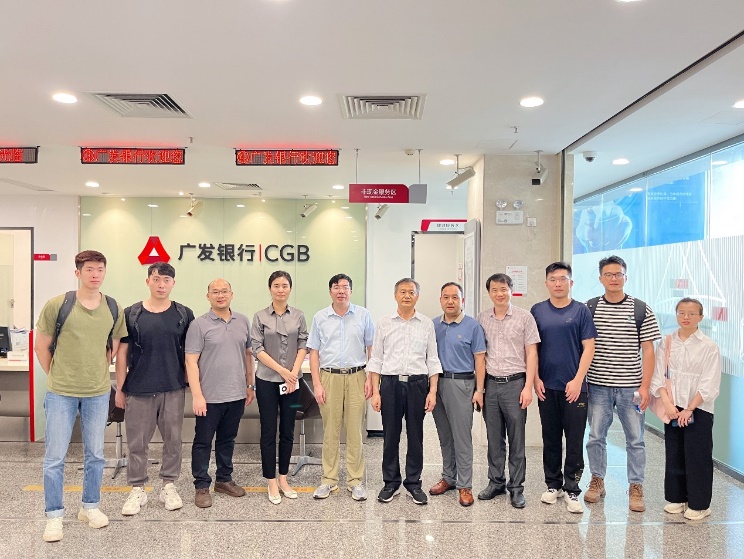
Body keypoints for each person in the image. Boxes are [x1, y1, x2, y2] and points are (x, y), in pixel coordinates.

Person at [34, 250, 127, 543]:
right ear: (78, 273)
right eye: (89, 269)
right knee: (55, 457)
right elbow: (41, 346)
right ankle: (54, 516)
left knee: (96, 455)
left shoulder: (112, 307)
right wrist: (57, 375)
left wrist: (96, 370)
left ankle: (90, 506)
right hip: (60, 393)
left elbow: (113, 346)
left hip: (97, 393)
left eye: (100, 269)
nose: (95, 274)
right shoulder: (58, 305)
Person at [115, 262, 195, 516]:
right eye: (157, 279)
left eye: (167, 280)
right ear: (148, 281)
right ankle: (137, 488)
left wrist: (193, 386)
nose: (161, 285)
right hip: (139, 388)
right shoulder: (132, 313)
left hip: (173, 387)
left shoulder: (183, 314)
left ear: (173, 283)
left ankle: (168, 485)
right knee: (137, 442)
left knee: (173, 440)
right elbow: (122, 354)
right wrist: (119, 389)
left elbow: (191, 354)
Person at [584, 255, 660, 512]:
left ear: (626, 277)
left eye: (618, 274)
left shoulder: (641, 309)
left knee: (636, 439)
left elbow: (648, 350)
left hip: (631, 388)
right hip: (598, 385)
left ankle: (636, 486)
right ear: (600, 278)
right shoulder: (590, 308)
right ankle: (597, 480)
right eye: (608, 274)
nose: (614, 278)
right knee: (596, 436)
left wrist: (645, 386)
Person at [369, 278, 442, 505]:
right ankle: (391, 482)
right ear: (395, 295)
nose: (407, 296)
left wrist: (432, 391)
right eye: (402, 292)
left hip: (417, 385)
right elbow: (376, 359)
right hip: (390, 384)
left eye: (411, 292)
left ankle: (413, 483)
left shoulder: (426, 324)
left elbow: (432, 359)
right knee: (390, 435)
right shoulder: (384, 323)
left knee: (415, 436)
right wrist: (376, 392)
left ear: (417, 296)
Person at [530, 262, 596, 514]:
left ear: (571, 283)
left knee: (575, 439)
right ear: (546, 283)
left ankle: (572, 488)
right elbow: (532, 349)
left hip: (575, 388)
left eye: (563, 279)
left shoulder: (581, 311)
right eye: (553, 279)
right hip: (546, 386)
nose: (558, 283)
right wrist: (536, 379)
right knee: (550, 438)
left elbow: (589, 347)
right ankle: (553, 484)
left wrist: (578, 380)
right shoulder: (538, 311)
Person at [185, 279, 254, 508]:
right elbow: (191, 361)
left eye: (224, 291)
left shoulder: (242, 321)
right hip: (209, 397)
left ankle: (224, 479)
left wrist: (250, 385)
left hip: (236, 394)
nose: (220, 295)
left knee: (227, 440)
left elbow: (248, 355)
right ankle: (201, 485)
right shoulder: (198, 325)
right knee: (203, 442)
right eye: (215, 292)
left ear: (232, 294)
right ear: (208, 296)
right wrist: (197, 395)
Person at [651, 298, 721, 521]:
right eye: (681, 312)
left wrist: (689, 409)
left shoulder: (708, 346)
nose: (686, 317)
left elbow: (710, 383)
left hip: (698, 408)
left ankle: (700, 504)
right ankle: (677, 497)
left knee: (697, 455)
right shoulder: (667, 341)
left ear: (701, 317)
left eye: (691, 313)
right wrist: (668, 404)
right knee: (674, 452)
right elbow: (658, 376)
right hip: (673, 406)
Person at [308, 274, 374, 501]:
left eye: (345, 287)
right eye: (336, 287)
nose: (341, 291)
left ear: (351, 291)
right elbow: (314, 353)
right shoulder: (320, 317)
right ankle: (329, 480)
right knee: (331, 431)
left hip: (357, 376)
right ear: (330, 292)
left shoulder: (363, 315)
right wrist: (317, 384)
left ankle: (355, 481)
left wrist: (370, 379)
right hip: (329, 377)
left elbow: (372, 349)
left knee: (355, 431)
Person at [476, 273, 539, 509]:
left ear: (511, 290)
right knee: (494, 438)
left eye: (504, 289)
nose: (499, 294)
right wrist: (480, 389)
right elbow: (479, 356)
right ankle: (496, 482)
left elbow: (532, 353)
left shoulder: (524, 317)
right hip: (491, 385)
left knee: (517, 439)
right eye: (494, 290)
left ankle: (517, 488)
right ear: (489, 293)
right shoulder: (482, 318)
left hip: (515, 384)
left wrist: (528, 387)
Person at [251, 270, 308, 504]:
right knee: (268, 430)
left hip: (293, 384)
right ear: (270, 289)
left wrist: (293, 373)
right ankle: (271, 480)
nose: (280, 289)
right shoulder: (260, 316)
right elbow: (257, 348)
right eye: (276, 285)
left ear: (290, 289)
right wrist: (283, 372)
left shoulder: (299, 315)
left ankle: (283, 478)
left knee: (287, 429)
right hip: (266, 381)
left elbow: (303, 344)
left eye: (284, 285)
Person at [429, 282, 486, 507]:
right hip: (437, 384)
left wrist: (479, 390)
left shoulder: (473, 326)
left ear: (463, 300)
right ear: (440, 300)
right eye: (446, 297)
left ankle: (465, 485)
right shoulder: (433, 325)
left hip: (461, 384)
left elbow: (480, 360)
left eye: (455, 297)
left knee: (462, 437)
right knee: (444, 435)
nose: (450, 301)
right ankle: (448, 478)